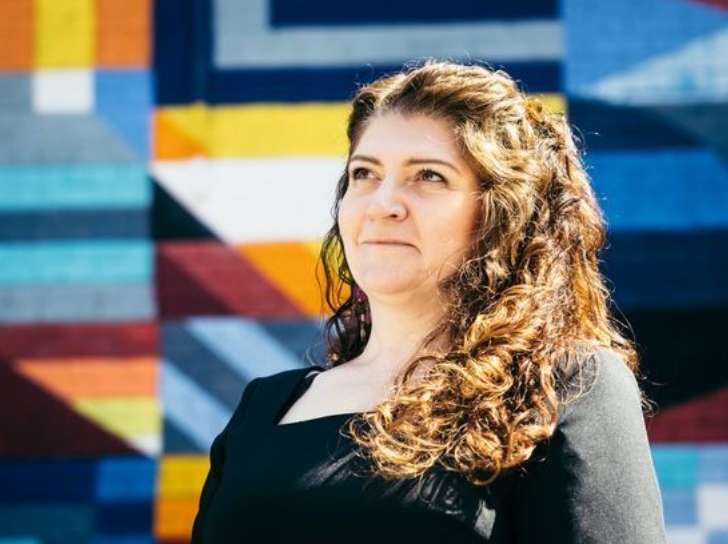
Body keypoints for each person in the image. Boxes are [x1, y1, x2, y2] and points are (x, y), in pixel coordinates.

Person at [190, 60, 666, 543]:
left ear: (501, 214)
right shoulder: (263, 406)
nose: (383, 203)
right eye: (364, 174)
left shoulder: (561, 387)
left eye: (429, 177)